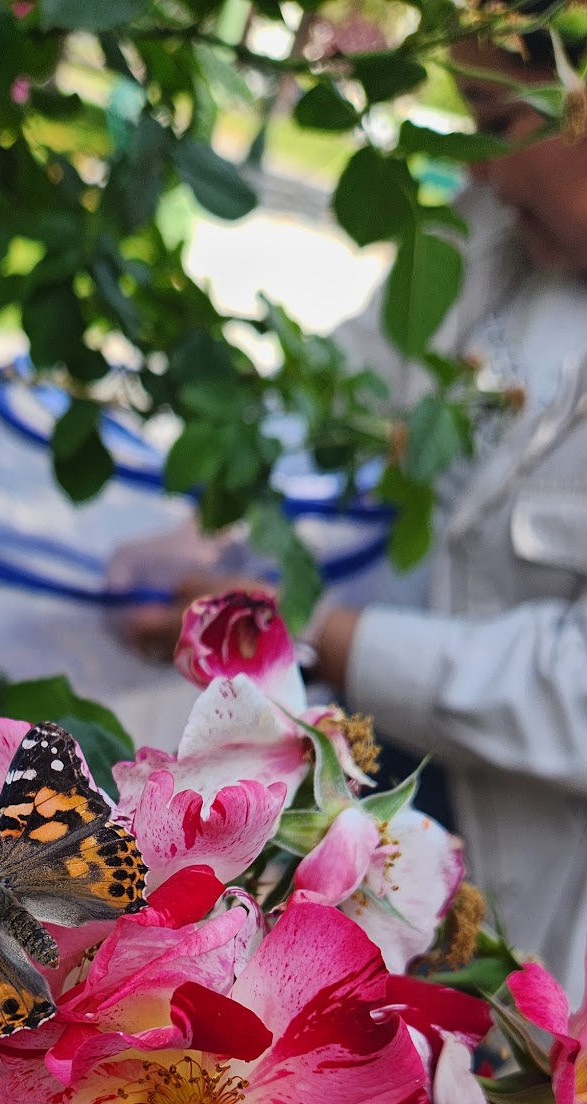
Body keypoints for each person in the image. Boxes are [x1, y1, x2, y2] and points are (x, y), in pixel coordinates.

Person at [126, 10, 587, 998]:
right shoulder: (500, 241)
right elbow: (350, 382)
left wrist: (326, 636)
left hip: (521, 893)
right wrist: (212, 519)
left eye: (493, 121)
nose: (477, 171)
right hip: (378, 808)